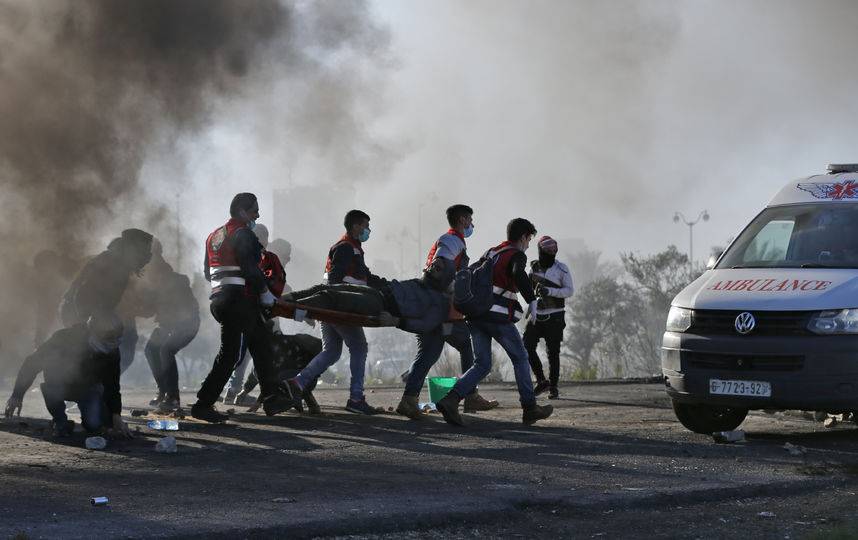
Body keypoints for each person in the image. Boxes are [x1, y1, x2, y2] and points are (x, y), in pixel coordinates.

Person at [435, 218, 554, 426]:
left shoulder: (491, 252)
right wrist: (532, 301)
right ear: (523, 237)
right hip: (497, 316)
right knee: (520, 357)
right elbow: (518, 274)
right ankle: (529, 407)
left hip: (475, 316)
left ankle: (450, 399)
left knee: (481, 364)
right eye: (528, 240)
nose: (528, 245)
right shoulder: (515, 254)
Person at [191, 193, 294, 422]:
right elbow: (250, 267)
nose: (258, 214)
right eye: (255, 210)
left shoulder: (214, 236)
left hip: (223, 300)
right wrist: (264, 292)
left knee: (261, 345)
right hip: (240, 301)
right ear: (242, 212)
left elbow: (209, 272)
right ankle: (203, 404)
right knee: (231, 355)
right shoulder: (243, 233)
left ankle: (271, 398)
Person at [396, 204, 498, 420]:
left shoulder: (454, 241)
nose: (472, 224)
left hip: (435, 306)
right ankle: (470, 394)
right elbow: (439, 269)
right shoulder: (452, 240)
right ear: (462, 220)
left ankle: (409, 400)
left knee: (429, 353)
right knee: (464, 344)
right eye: (470, 219)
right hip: (442, 308)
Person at [282, 209, 387, 415]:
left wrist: (389, 285)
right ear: (356, 227)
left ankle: (298, 383)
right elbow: (335, 281)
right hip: (342, 307)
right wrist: (339, 305)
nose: (368, 230)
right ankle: (356, 398)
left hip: (332, 306)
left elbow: (365, 277)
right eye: (366, 226)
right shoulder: (346, 248)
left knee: (331, 351)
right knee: (359, 347)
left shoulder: (351, 248)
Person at [4, 314, 134, 439]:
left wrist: (116, 415)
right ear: (91, 334)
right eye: (105, 343)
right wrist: (17, 394)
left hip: (89, 389)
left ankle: (90, 419)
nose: (108, 348)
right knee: (55, 393)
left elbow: (112, 384)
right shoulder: (63, 338)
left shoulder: (112, 349)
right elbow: (32, 363)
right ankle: (60, 420)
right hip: (58, 385)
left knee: (94, 425)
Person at [223, 223, 286, 405]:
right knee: (251, 354)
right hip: (254, 310)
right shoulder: (257, 257)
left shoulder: (245, 256)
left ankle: (234, 389)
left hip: (246, 308)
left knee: (242, 353)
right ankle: (259, 394)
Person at [143, 239, 201, 414]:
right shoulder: (149, 272)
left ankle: (173, 397)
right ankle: (164, 391)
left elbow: (167, 304)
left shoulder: (163, 273)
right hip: (169, 323)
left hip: (187, 322)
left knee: (166, 350)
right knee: (151, 349)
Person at [59, 228, 154, 328]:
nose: (147, 257)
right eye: (144, 251)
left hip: (82, 314)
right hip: (77, 314)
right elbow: (82, 296)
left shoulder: (120, 266)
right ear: (131, 249)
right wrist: (87, 325)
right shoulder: (111, 265)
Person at [523, 236, 574, 400]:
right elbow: (529, 290)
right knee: (526, 346)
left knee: (553, 352)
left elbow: (569, 291)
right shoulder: (533, 268)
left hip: (555, 315)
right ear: (540, 251)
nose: (550, 254)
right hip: (537, 315)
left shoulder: (561, 269)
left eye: (553, 251)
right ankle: (541, 380)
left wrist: (550, 291)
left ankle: (553, 387)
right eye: (547, 251)